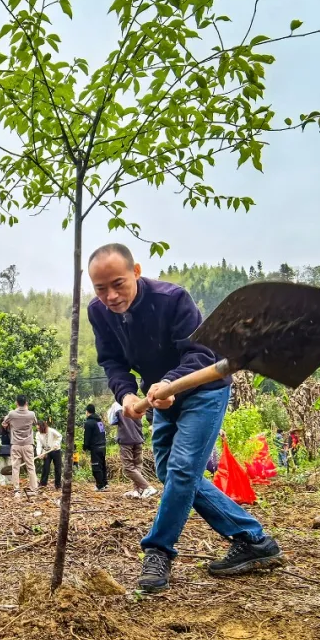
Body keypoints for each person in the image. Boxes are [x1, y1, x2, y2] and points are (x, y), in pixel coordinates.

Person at [87, 242, 283, 594]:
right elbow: (112, 362)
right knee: (170, 472)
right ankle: (252, 538)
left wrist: (169, 382)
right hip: (158, 397)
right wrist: (127, 395)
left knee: (181, 471)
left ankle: (158, 549)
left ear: (136, 272)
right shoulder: (99, 312)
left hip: (205, 390)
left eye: (118, 284)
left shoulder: (172, 298)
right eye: (101, 288)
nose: (111, 296)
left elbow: (201, 353)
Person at [115, 410, 157, 499]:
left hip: (126, 439)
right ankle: (136, 491)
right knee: (137, 465)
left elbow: (112, 420)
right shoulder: (137, 403)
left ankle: (147, 487)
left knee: (128, 467)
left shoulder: (117, 406)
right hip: (138, 438)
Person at [2, 395, 38, 496]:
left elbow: (4, 423)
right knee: (31, 466)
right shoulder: (31, 414)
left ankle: (17, 490)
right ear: (26, 403)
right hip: (28, 444)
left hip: (16, 444)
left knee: (15, 467)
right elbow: (35, 423)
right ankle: (33, 489)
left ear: (16, 403)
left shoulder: (12, 414)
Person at [83, 404, 109, 491]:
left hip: (95, 447)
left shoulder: (88, 423)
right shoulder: (99, 422)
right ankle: (105, 483)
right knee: (102, 465)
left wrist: (85, 446)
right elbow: (102, 433)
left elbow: (87, 436)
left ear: (87, 411)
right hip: (102, 446)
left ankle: (100, 485)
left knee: (96, 466)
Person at [35, 419, 63, 491]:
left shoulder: (51, 430)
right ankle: (43, 484)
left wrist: (56, 444)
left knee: (58, 468)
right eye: (37, 428)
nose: (38, 429)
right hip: (46, 452)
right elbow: (39, 444)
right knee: (45, 468)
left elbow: (59, 436)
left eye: (39, 428)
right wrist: (39, 454)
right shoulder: (38, 434)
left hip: (56, 450)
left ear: (42, 427)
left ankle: (58, 485)